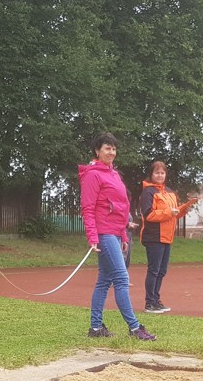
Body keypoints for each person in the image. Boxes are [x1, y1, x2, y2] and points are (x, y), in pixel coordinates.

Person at [79, 133, 155, 341]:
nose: (111, 152)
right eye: (107, 148)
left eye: (113, 148)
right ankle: (134, 328)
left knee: (104, 281)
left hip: (115, 232)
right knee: (121, 278)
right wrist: (93, 236)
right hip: (104, 233)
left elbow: (121, 208)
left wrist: (123, 235)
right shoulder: (93, 175)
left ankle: (95, 328)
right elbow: (88, 208)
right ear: (97, 151)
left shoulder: (114, 174)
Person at [138, 160, 194, 313]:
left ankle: (156, 300)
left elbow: (173, 214)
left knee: (162, 271)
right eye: (157, 172)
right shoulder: (148, 192)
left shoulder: (169, 192)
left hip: (167, 236)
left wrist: (182, 211)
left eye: (162, 173)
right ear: (151, 174)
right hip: (154, 236)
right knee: (154, 270)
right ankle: (149, 303)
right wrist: (169, 212)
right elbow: (149, 215)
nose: (160, 175)